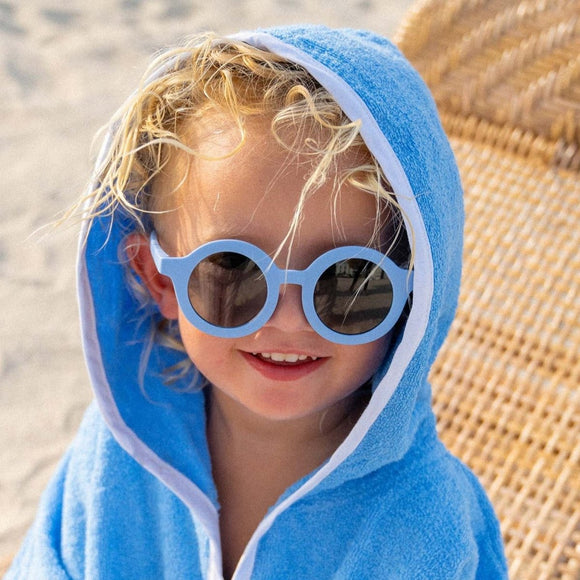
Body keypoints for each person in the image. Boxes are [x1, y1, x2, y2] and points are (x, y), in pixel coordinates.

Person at [6, 26, 507, 579]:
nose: (288, 321)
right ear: (159, 280)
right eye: (233, 270)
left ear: (415, 297)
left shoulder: (425, 523)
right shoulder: (121, 450)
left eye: (349, 281)